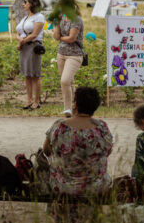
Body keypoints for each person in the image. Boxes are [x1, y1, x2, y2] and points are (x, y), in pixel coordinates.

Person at [43, 87, 112, 223]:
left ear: (75, 104)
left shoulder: (59, 126)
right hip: (94, 187)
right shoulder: (102, 127)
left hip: (64, 187)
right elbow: (108, 151)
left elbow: (46, 150)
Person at [53, 0, 84, 118]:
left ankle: (67, 108)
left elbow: (71, 38)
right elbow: (56, 37)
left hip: (74, 55)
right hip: (61, 54)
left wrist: (61, 37)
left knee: (65, 81)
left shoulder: (77, 20)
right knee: (69, 82)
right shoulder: (62, 20)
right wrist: (57, 22)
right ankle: (76, 108)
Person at [16, 0, 44, 110]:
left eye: (25, 2)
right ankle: (28, 100)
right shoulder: (26, 17)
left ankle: (36, 101)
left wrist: (22, 41)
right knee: (27, 75)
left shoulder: (39, 17)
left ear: (32, 4)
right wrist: (20, 41)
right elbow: (18, 32)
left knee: (35, 75)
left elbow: (34, 34)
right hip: (24, 47)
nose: (24, 4)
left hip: (33, 47)